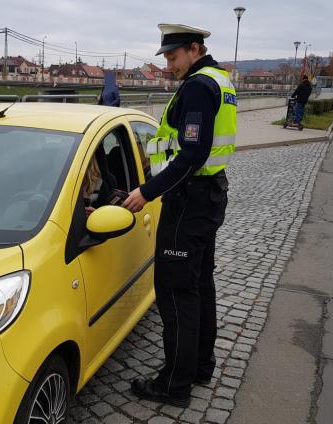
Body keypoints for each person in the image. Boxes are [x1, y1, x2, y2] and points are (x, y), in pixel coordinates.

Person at [122, 23, 237, 407]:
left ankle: (174, 385)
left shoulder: (198, 87)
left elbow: (191, 154)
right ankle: (201, 366)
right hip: (208, 198)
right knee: (200, 286)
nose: (168, 65)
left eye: (172, 57)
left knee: (175, 293)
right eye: (166, 58)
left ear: (193, 48)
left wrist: (146, 192)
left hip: (188, 204)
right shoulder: (221, 80)